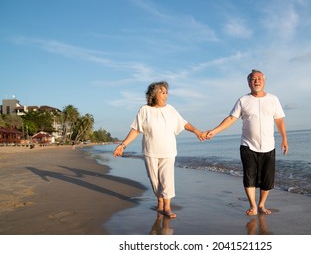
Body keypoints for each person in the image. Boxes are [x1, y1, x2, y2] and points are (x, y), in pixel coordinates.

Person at [113, 81, 206, 219]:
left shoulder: (171, 109)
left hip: (168, 150)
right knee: (154, 180)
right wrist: (123, 145)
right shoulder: (144, 110)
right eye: (162, 92)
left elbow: (183, 123)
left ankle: (167, 207)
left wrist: (197, 132)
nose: (166, 95)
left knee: (167, 179)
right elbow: (136, 129)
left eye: (166, 92)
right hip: (150, 151)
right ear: (154, 94)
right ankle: (160, 202)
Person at [206, 70, 288, 215]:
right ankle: (253, 206)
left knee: (267, 179)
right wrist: (215, 131)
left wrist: (284, 139)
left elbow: (279, 119)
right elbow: (231, 118)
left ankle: (261, 204)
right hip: (248, 145)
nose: (256, 81)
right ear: (249, 83)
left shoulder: (273, 99)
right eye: (253, 79)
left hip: (269, 146)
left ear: (264, 81)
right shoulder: (243, 100)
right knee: (249, 176)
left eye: (259, 78)